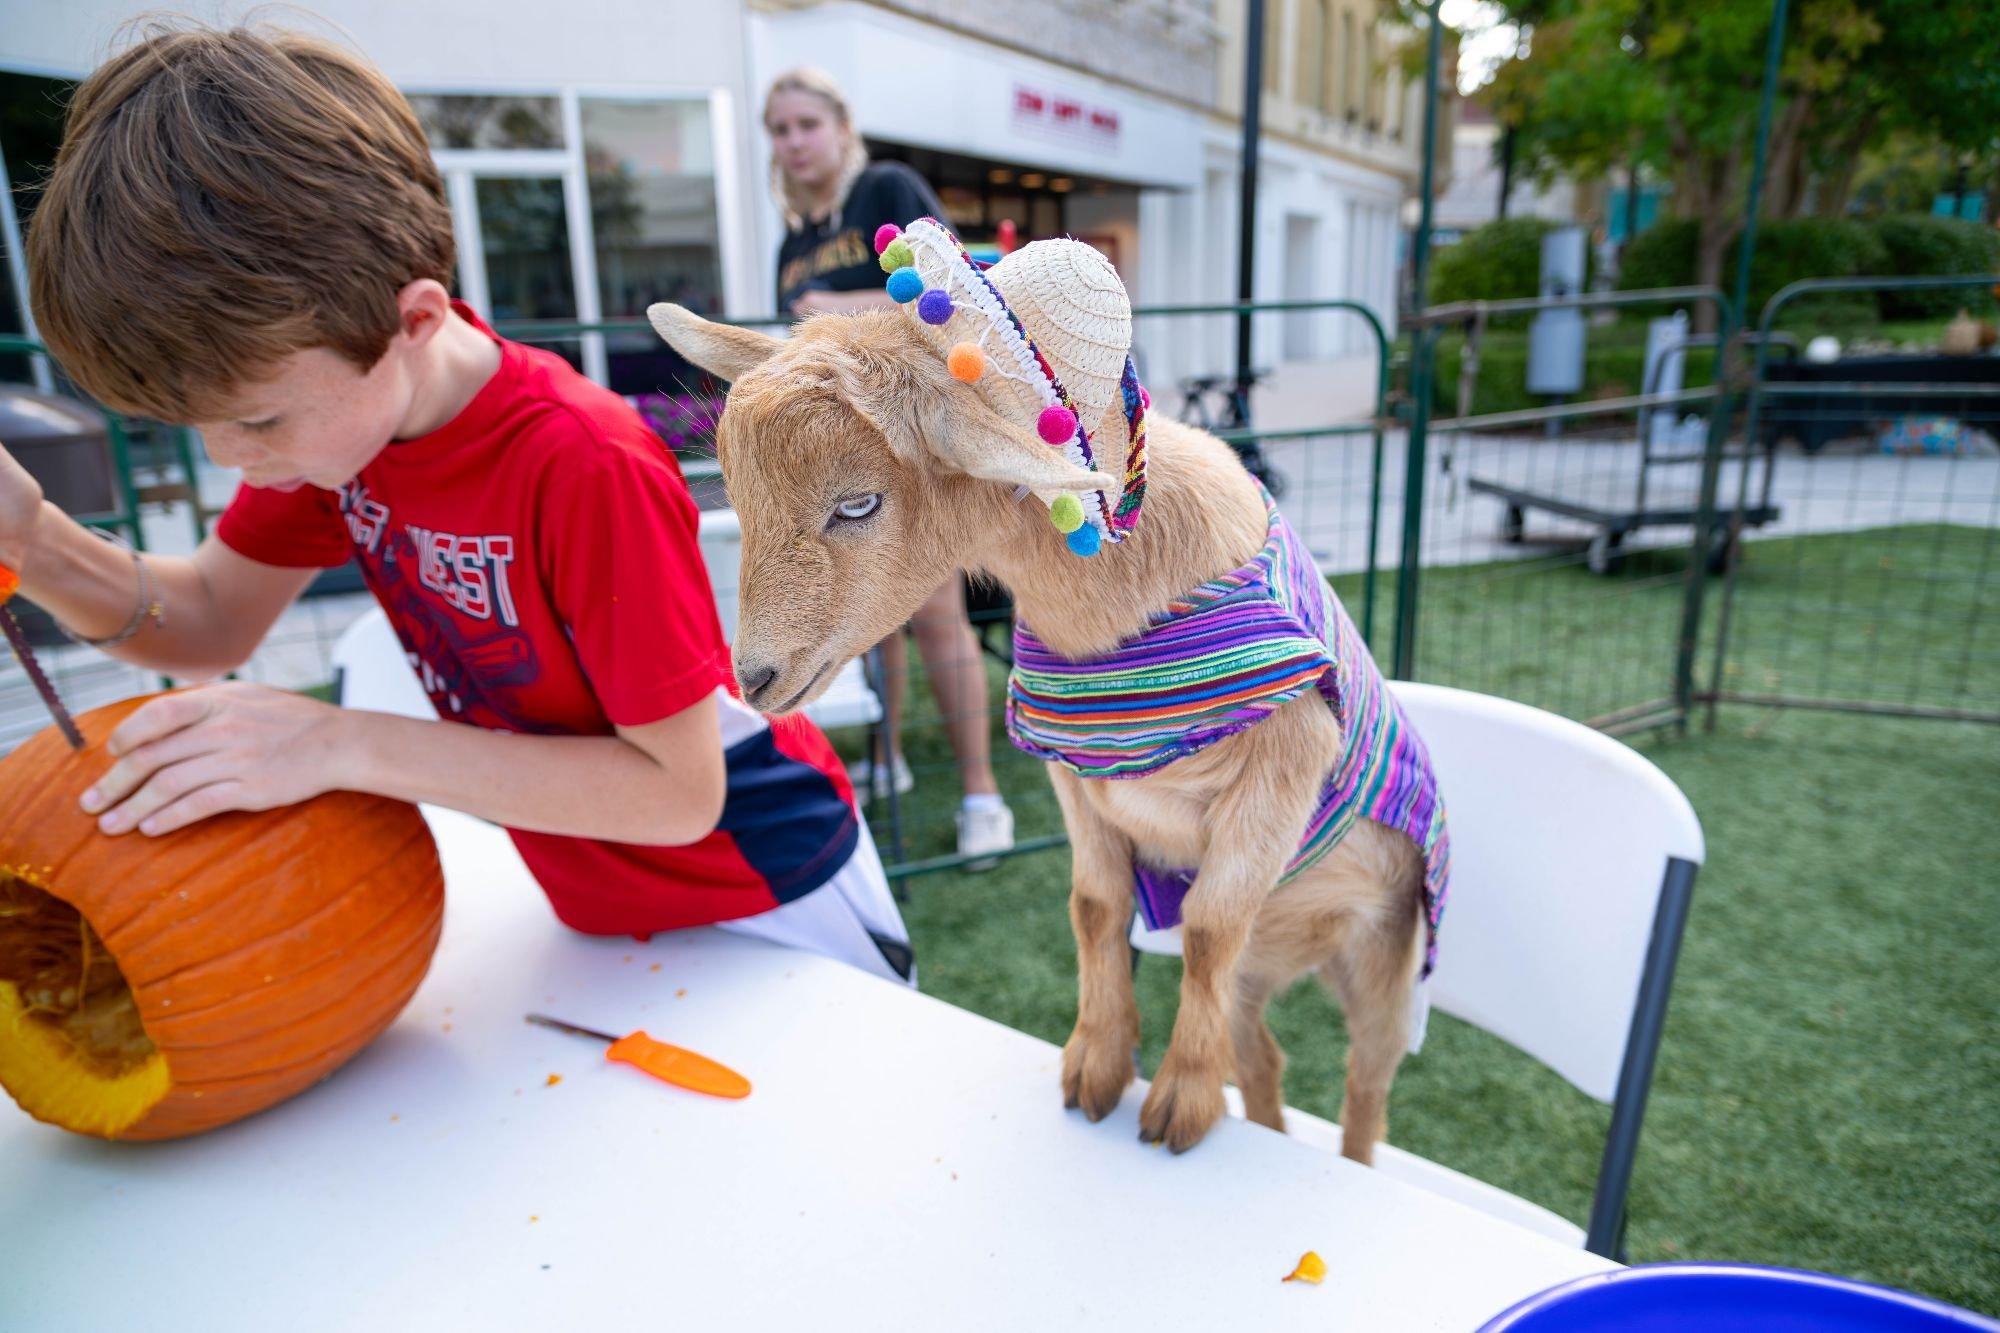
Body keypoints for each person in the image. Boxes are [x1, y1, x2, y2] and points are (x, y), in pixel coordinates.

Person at [2, 21, 912, 986]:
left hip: (766, 894)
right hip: (599, 912)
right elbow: (209, 619)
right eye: (198, 427)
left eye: (258, 420)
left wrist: (336, 741)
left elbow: (679, 792)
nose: (233, 461)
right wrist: (32, 539)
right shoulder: (344, 437)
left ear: (415, 319)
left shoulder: (581, 459)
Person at [764, 67, 1014, 867]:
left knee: (936, 611)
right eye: (779, 129)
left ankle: (983, 795)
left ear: (841, 125)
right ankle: (888, 758)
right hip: (838, 455)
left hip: (913, 442)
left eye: (805, 123)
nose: (793, 142)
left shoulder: (887, 188)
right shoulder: (793, 240)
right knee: (872, 617)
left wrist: (838, 310)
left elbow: (951, 291)